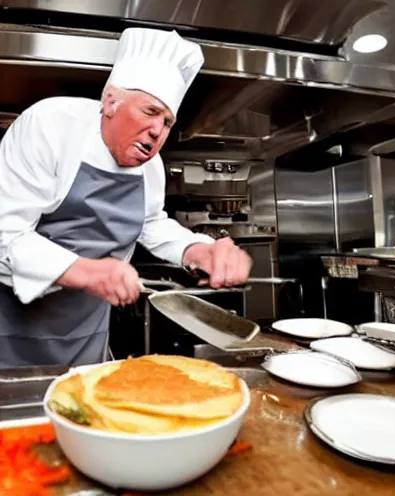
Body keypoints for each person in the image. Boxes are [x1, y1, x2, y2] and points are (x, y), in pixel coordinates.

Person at [0, 27, 252, 367]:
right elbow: (6, 234)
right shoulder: (50, 126)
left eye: (167, 122)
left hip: (86, 333)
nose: (157, 132)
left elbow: (150, 222)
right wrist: (89, 272)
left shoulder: (151, 167)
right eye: (150, 112)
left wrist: (198, 250)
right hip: (12, 327)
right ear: (111, 102)